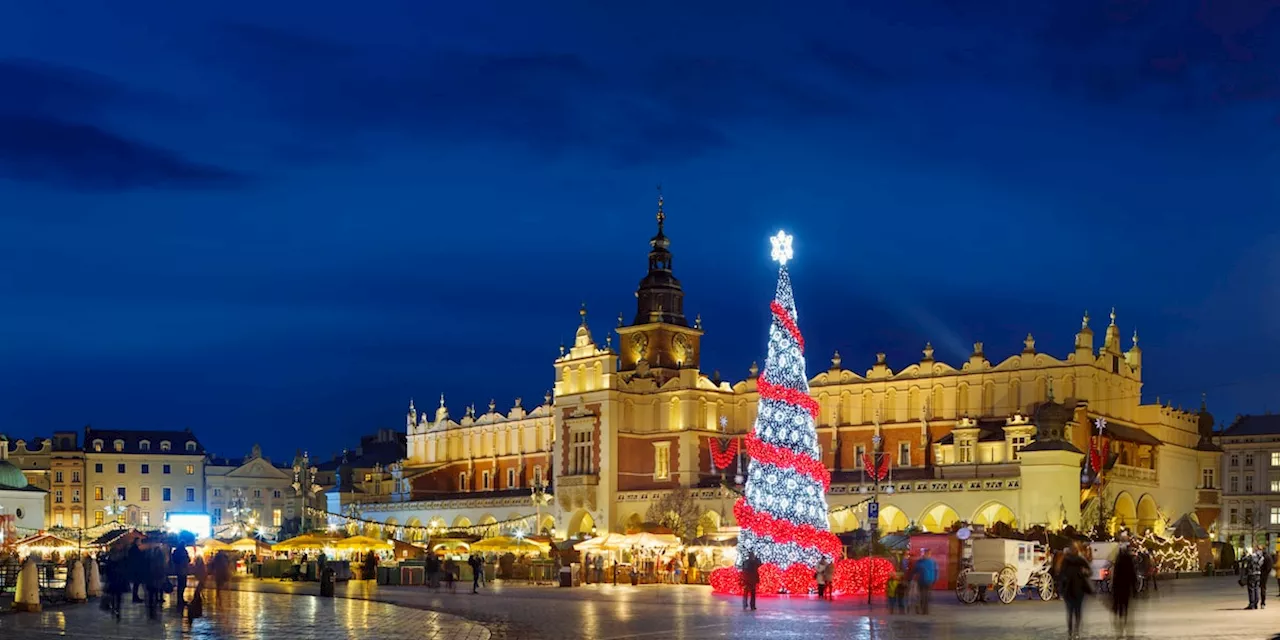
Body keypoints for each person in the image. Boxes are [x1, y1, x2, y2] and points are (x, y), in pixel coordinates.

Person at [1057, 543, 1093, 639]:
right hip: (1078, 589)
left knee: (1070, 612)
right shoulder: (1081, 560)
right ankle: (1076, 631)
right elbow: (1089, 572)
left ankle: (1070, 632)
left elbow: (1061, 574)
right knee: (1077, 611)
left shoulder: (1065, 561)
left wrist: (1061, 586)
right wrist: (1084, 573)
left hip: (1068, 589)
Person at [1111, 537, 1138, 634]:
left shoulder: (1118, 560)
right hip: (1126, 585)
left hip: (1119, 585)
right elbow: (1132, 574)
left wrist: (1113, 586)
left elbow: (1115, 575)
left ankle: (1120, 617)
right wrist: (1134, 588)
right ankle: (1124, 618)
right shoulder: (1129, 560)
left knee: (1119, 603)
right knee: (1125, 603)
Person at [913, 548, 938, 615]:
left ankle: (923, 609)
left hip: (925, 580)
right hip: (925, 580)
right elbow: (936, 571)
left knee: (924, 595)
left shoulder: (921, 562)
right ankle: (924, 610)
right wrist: (935, 579)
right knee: (925, 596)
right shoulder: (932, 562)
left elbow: (915, 570)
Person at [171, 542, 191, 607]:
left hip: (179, 569)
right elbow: (188, 559)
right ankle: (180, 599)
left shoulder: (176, 551)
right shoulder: (183, 551)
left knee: (181, 585)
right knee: (182, 585)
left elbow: (174, 559)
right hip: (183, 569)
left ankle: (180, 599)